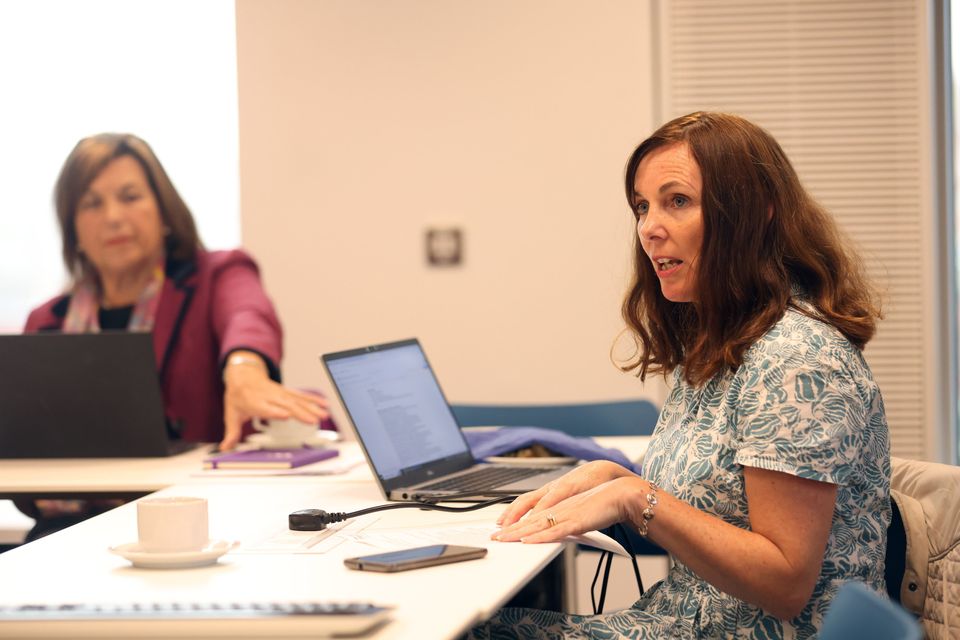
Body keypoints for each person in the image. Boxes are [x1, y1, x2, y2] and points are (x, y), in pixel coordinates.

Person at [469, 112, 890, 638]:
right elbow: (713, 516)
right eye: (642, 207)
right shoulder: (727, 342)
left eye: (678, 201)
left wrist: (634, 499)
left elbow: (785, 584)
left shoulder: (796, 360)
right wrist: (616, 479)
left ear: (755, 213)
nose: (649, 228)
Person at [18, 133, 328, 537]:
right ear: (72, 227)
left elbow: (247, 314)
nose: (113, 216)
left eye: (130, 197)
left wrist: (245, 368)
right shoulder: (45, 323)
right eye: (92, 203)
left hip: (196, 529)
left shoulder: (216, 275)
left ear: (164, 212)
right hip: (63, 533)